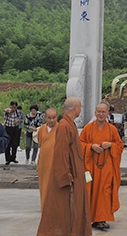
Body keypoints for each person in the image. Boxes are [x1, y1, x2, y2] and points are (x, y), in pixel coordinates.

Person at [37, 97, 92, 236]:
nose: (81, 110)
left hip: (76, 173)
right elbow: (61, 153)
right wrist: (65, 177)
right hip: (69, 178)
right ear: (75, 108)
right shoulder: (64, 126)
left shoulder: (69, 124)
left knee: (74, 209)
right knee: (63, 211)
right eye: (80, 107)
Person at [80, 102, 124, 230]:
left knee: (105, 191)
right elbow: (79, 144)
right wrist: (90, 147)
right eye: (98, 111)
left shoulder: (112, 129)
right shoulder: (88, 128)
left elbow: (120, 146)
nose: (100, 114)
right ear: (95, 113)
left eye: (103, 112)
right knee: (91, 191)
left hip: (106, 168)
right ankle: (90, 218)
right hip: (91, 167)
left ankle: (101, 219)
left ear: (108, 113)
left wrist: (110, 145)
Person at [37, 108, 59, 209]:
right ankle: (45, 206)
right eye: (49, 118)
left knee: (54, 186)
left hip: (56, 161)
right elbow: (41, 143)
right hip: (44, 162)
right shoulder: (41, 130)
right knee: (44, 184)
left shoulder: (61, 129)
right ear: (45, 118)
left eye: (54, 117)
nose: (51, 120)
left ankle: (54, 207)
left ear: (57, 117)